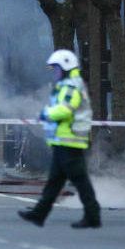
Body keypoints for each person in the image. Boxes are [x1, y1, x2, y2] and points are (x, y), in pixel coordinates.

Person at [18, 50, 101, 229]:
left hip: (70, 139)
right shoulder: (67, 85)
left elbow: (65, 109)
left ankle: (93, 215)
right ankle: (39, 214)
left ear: (66, 67)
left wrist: (45, 114)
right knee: (55, 181)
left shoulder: (71, 86)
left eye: (56, 69)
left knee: (79, 180)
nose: (55, 72)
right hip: (63, 140)